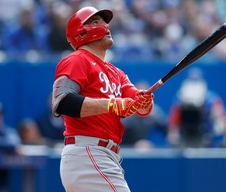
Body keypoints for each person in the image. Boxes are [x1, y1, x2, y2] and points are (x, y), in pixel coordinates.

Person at [51, 6, 154, 192]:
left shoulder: (117, 73)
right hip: (88, 152)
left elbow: (140, 107)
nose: (106, 26)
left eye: (105, 22)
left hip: (104, 156)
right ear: (80, 32)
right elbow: (63, 102)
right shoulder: (76, 59)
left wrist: (144, 102)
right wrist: (113, 104)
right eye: (96, 22)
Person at [167, 68, 226, 148]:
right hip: (184, 139)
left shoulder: (213, 100)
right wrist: (174, 138)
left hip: (206, 138)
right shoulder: (179, 100)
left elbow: (222, 123)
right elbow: (173, 126)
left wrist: (217, 128)